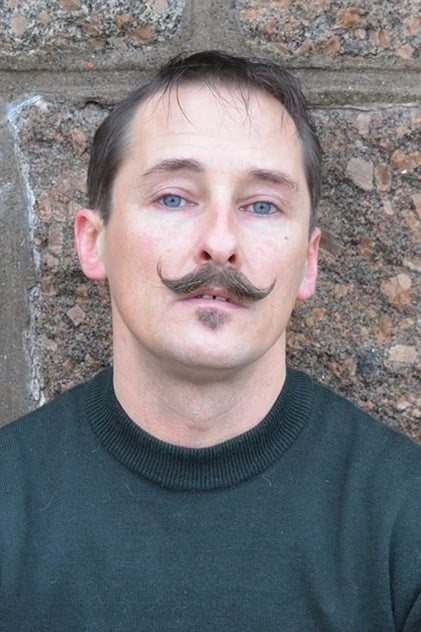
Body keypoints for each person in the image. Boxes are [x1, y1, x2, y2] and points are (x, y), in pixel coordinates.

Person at [0, 50, 420, 631]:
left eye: (262, 205)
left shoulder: (405, 519)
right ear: (93, 242)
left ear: (308, 262)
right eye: (173, 197)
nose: (220, 243)